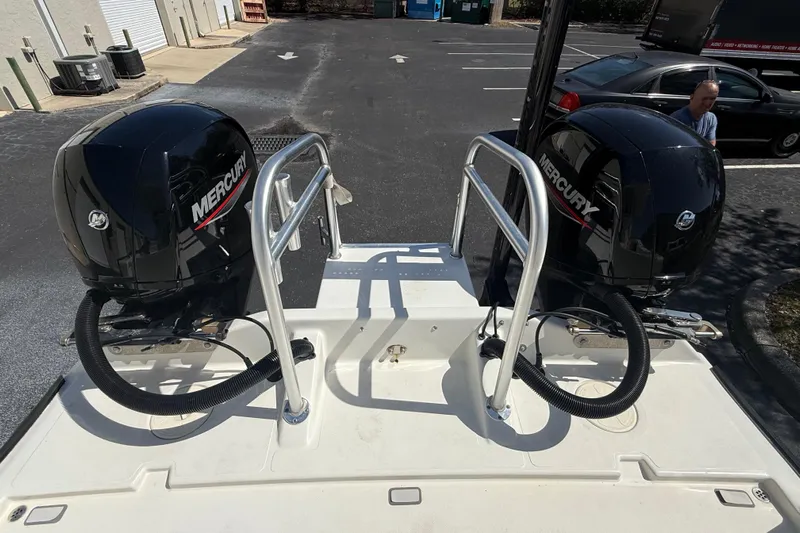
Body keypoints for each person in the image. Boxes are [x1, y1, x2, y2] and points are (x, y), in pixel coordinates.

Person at [670, 80, 719, 146]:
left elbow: (710, 144)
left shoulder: (711, 118)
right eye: (704, 98)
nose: (708, 103)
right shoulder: (677, 119)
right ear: (692, 97)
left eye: (712, 99)